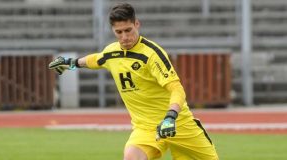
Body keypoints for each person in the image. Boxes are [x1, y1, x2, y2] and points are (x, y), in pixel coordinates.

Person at [49, 3, 218, 160]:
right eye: (119, 32)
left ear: (137, 24)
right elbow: (96, 59)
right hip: (145, 129)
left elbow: (177, 89)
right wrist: (71, 63)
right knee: (131, 156)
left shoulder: (152, 54)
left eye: (128, 30)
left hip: (178, 125)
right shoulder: (112, 53)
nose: (124, 37)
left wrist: (170, 117)